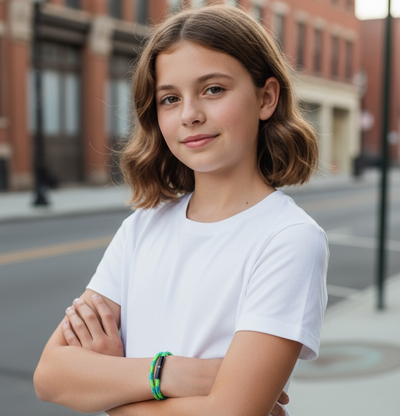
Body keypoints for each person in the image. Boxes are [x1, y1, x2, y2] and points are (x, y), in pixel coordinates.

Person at [34, 5, 328, 416]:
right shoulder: (141, 228)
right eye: (170, 99)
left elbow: (230, 412)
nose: (190, 115)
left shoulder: (289, 237)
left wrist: (113, 386)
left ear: (266, 98)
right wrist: (170, 373)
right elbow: (50, 375)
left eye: (213, 90)